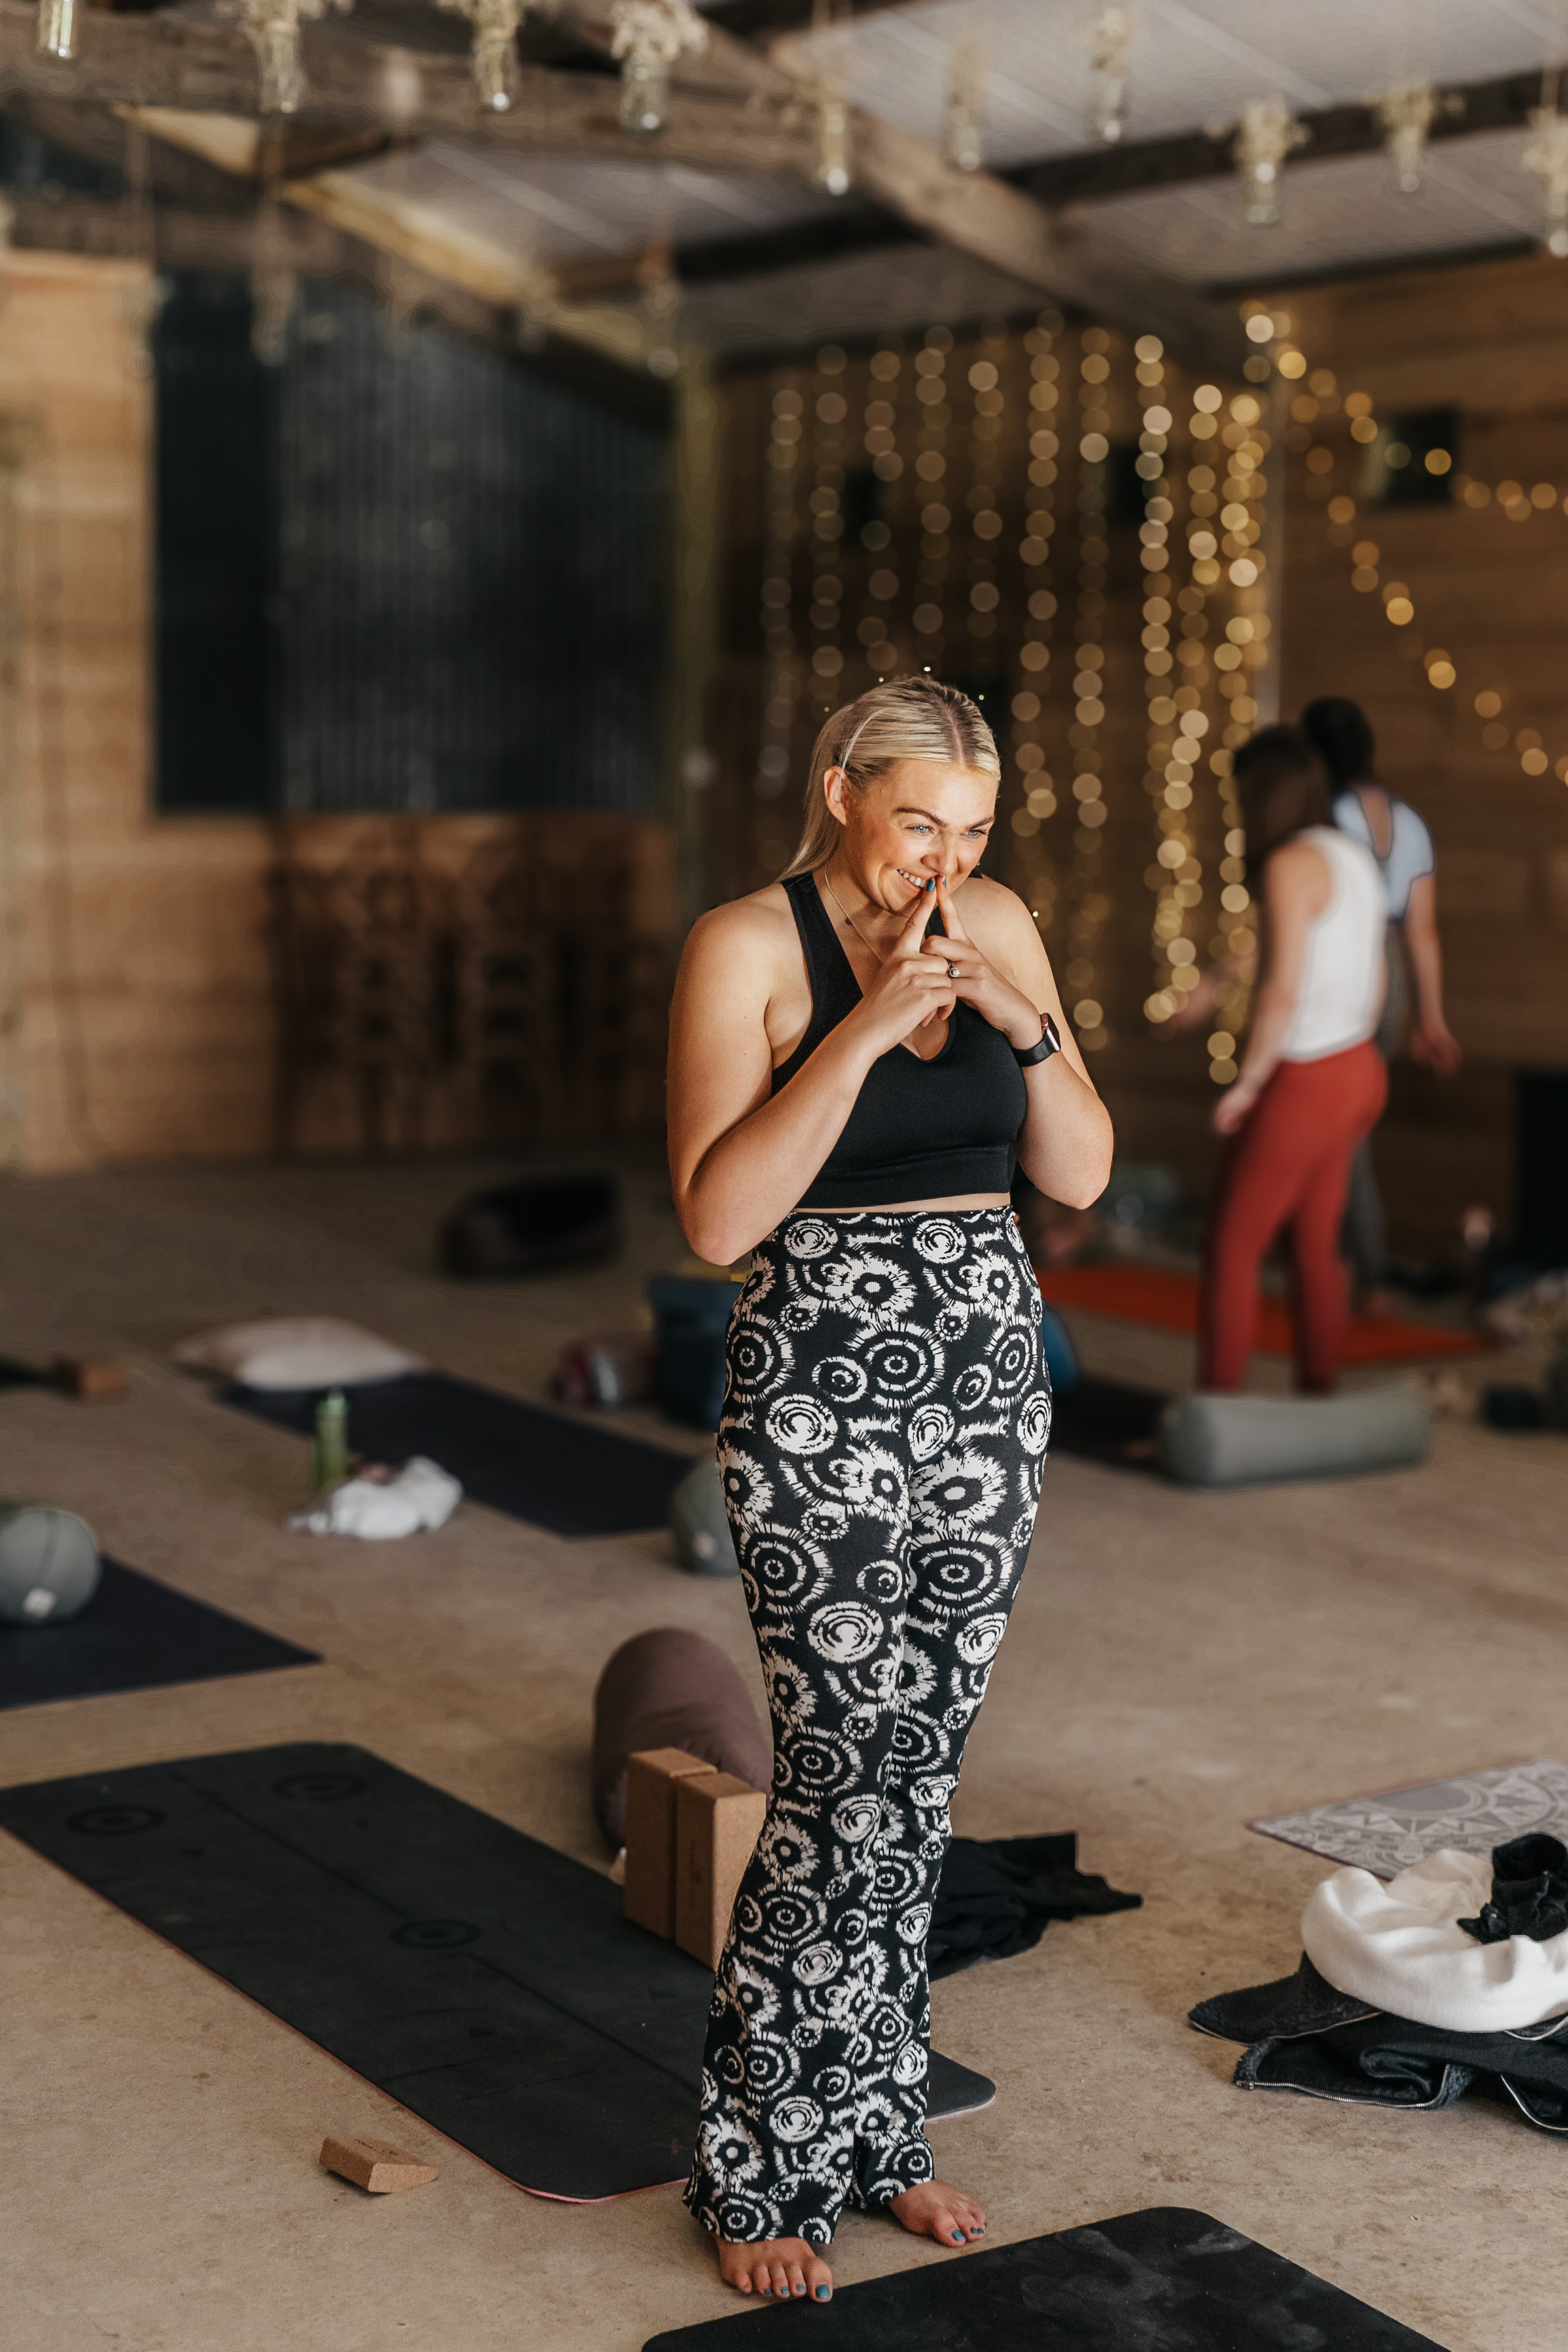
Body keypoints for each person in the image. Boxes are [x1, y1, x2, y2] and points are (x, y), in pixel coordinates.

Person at [666, 676, 1112, 2305]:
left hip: (987, 1389)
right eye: (920, 821)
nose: (947, 860)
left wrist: (1019, 1018)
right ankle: (755, 2161)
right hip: (817, 1395)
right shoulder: (746, 947)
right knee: (837, 1777)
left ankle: (880, 2134)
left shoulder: (995, 923)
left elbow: (1079, 1170)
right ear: (841, 791)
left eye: (974, 829)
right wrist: (862, 1026)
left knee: (917, 1782)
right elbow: (719, 1217)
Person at [1197, 724, 1387, 1392]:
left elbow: (1281, 991)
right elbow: (1376, 974)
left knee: (1231, 1245)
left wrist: (1248, 1085)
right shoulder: (1352, 855)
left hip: (1308, 1078)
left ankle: (1214, 1412)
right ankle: (1318, 1394)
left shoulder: (1288, 864)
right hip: (1359, 1066)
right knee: (1313, 1242)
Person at [1301, 695, 1462, 1306]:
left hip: (1347, 968)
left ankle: (1358, 1272)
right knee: (1349, 1125)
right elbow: (1423, 931)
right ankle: (1348, 1271)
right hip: (1391, 971)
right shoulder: (1409, 821)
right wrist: (1430, 1018)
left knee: (1340, 1132)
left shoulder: (1325, 816)